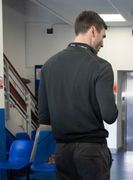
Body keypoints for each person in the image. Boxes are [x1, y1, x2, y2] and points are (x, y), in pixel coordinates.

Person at [38, 11, 118, 180]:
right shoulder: (101, 67)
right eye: (103, 37)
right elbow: (110, 116)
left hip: (62, 151)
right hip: (92, 151)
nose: (102, 43)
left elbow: (44, 117)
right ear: (93, 31)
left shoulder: (48, 66)